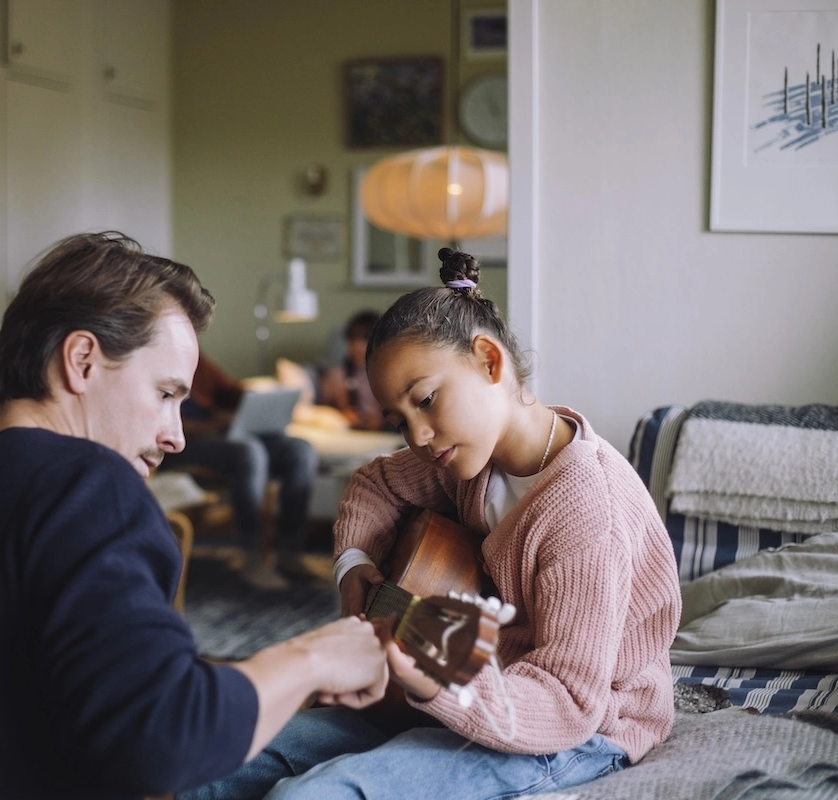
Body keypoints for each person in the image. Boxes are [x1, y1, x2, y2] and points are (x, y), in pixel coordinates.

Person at [0, 232, 389, 800]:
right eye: (164, 394)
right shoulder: (90, 485)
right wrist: (316, 657)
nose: (175, 436)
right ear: (80, 361)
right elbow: (166, 736)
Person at [181, 248, 683, 800]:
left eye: (426, 400)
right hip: (471, 688)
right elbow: (373, 484)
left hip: (578, 731)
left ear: (490, 363)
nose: (417, 436)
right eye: (400, 420)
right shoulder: (469, 459)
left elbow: (568, 700)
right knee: (217, 761)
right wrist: (354, 566)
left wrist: (435, 680)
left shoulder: (588, 513)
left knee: (309, 796)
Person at [160, 352, 319, 591]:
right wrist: (214, 424)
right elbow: (160, 417)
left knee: (300, 449)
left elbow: (231, 389)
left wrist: (253, 405)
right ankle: (251, 556)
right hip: (182, 442)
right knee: (249, 451)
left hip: (221, 435)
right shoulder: (153, 359)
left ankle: (289, 551)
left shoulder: (194, 358)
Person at [318, 309, 385, 431]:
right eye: (352, 339)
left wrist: (382, 422)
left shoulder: (387, 376)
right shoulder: (337, 375)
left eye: (364, 339)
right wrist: (342, 414)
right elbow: (323, 411)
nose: (356, 346)